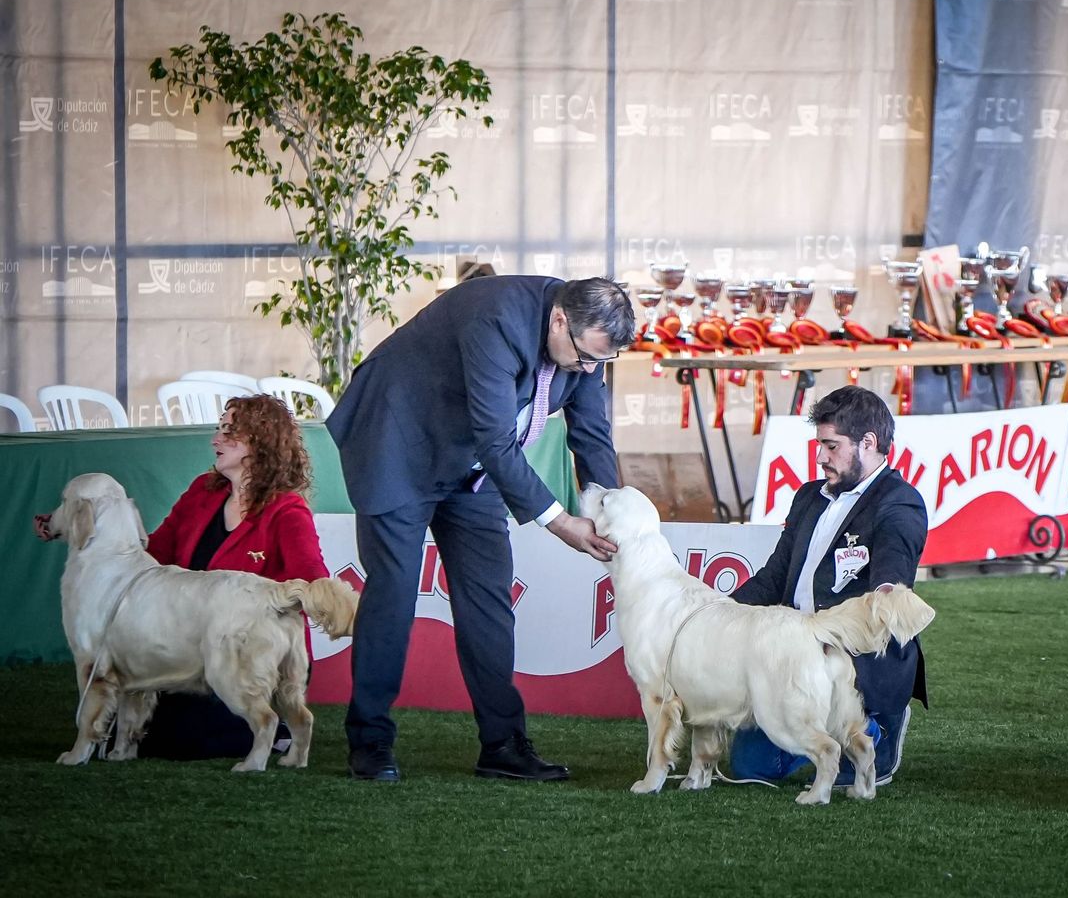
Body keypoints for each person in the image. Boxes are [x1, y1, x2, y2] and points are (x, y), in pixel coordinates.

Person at [327, 274, 634, 783]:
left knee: (489, 595)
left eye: (602, 361)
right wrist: (559, 522)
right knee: (395, 592)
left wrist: (614, 511)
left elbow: (591, 432)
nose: (589, 370)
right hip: (397, 438)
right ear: (560, 320)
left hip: (470, 460)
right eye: (585, 357)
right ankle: (370, 739)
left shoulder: (585, 345)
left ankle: (502, 744)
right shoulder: (496, 317)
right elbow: (497, 440)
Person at [34, 394, 329, 759]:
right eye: (219, 430)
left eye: (228, 432)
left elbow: (312, 580)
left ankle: (274, 729)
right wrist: (67, 528)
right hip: (191, 651)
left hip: (250, 650)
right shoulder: (201, 493)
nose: (215, 440)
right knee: (160, 734)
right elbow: (152, 554)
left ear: (258, 443)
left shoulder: (287, 511)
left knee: (185, 739)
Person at [727, 385, 930, 787]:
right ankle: (819, 731)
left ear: (868, 443)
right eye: (819, 445)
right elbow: (774, 577)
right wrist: (717, 612)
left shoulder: (900, 502)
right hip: (793, 655)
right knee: (750, 769)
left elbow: (893, 565)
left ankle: (877, 728)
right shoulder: (808, 497)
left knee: (834, 758)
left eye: (831, 446)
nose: (820, 457)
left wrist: (889, 588)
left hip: (850, 659)